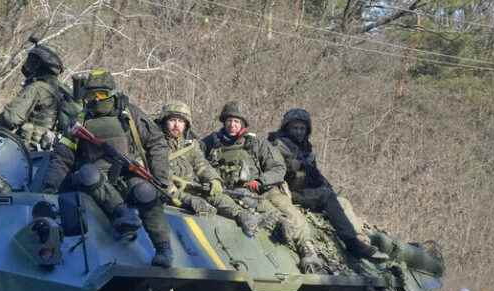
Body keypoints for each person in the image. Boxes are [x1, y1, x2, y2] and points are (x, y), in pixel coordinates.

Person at [41, 68, 175, 267]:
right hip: (94, 181)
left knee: (146, 192)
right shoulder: (81, 120)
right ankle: (122, 214)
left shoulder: (130, 115)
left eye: (101, 94)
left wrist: (161, 178)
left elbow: (156, 142)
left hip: (127, 174)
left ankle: (163, 248)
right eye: (91, 95)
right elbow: (63, 157)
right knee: (88, 174)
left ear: (111, 93)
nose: (96, 100)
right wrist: (50, 188)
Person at [201, 101, 322, 271]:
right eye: (229, 120)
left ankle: (306, 250)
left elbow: (278, 168)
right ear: (224, 121)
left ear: (243, 124)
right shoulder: (211, 142)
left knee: (293, 215)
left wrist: (260, 182)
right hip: (235, 193)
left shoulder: (256, 143)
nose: (232, 125)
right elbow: (195, 158)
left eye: (236, 121)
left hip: (265, 190)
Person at [267, 108, 386, 259]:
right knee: (326, 196)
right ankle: (351, 243)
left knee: (341, 201)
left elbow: (315, 175)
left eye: (302, 128)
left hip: (304, 191)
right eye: (295, 128)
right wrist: (296, 167)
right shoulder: (278, 145)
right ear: (287, 128)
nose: (299, 132)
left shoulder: (307, 150)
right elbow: (275, 170)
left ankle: (360, 239)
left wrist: (322, 183)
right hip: (287, 192)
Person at [156, 101, 271, 236]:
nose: (176, 125)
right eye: (172, 120)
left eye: (181, 121)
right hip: (171, 192)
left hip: (193, 188)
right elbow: (161, 180)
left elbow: (201, 164)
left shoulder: (189, 145)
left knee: (217, 195)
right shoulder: (156, 144)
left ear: (186, 124)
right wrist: (187, 199)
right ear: (164, 122)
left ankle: (243, 217)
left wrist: (213, 180)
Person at [0, 36, 76, 151]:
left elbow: (10, 118)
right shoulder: (61, 89)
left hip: (27, 153)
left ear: (39, 65)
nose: (28, 65)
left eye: (32, 62)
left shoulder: (37, 88)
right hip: (49, 153)